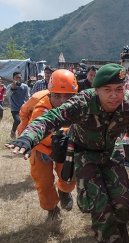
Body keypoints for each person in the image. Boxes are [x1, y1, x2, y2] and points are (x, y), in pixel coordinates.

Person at [4, 63, 129, 243]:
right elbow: (51, 119)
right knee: (100, 205)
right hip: (84, 153)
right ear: (96, 90)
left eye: (119, 89)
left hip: (111, 152)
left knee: (123, 201)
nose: (114, 96)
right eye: (108, 90)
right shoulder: (83, 102)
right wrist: (28, 137)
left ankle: (120, 224)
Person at [15, 69, 78, 220]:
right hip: (40, 147)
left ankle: (64, 191)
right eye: (57, 96)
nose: (63, 101)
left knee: (69, 176)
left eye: (68, 96)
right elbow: (24, 113)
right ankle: (52, 209)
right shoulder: (38, 103)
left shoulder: (80, 105)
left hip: (65, 147)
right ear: (50, 93)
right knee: (43, 181)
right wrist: (24, 130)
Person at [7, 71, 31, 139]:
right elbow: (8, 95)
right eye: (16, 77)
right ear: (13, 78)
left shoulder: (25, 86)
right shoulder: (10, 86)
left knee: (27, 122)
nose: (18, 79)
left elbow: (28, 96)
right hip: (14, 108)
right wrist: (13, 88)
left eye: (19, 77)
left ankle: (23, 136)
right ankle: (13, 131)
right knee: (17, 120)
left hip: (23, 108)